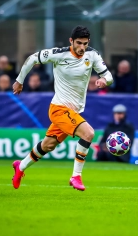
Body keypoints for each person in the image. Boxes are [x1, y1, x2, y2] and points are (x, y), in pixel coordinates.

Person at [11, 26, 113, 191]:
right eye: (78, 43)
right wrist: (20, 80)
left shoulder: (92, 55)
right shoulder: (58, 54)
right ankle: (76, 176)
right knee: (88, 133)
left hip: (73, 112)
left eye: (85, 44)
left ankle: (20, 166)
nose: (82, 47)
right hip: (59, 108)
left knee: (48, 145)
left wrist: (104, 81)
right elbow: (31, 59)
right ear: (71, 41)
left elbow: (108, 75)